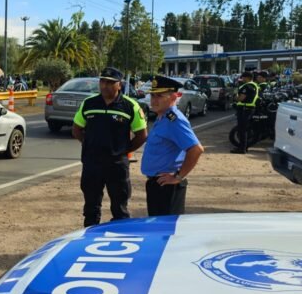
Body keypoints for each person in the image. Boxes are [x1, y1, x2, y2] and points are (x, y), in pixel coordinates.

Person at [72, 66, 147, 227]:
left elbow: (142, 134)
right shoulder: (89, 103)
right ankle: (90, 240)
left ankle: (119, 243)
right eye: (102, 81)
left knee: (120, 209)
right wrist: (89, 144)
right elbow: (77, 129)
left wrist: (125, 149)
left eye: (110, 82)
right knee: (91, 208)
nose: (105, 85)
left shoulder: (130, 106)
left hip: (117, 165)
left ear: (119, 85)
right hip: (92, 164)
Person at [141, 76, 205, 216]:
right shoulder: (162, 117)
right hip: (158, 184)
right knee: (158, 229)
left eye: (159, 96)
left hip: (167, 187)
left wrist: (178, 176)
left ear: (173, 97)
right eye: (152, 95)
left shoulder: (174, 120)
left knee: (166, 231)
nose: (154, 99)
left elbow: (196, 149)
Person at [231, 71, 260, 154]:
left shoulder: (247, 87)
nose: (242, 79)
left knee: (242, 129)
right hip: (249, 108)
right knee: (244, 129)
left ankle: (242, 148)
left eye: (243, 77)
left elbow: (241, 98)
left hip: (244, 109)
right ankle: (244, 147)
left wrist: (234, 96)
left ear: (247, 78)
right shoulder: (255, 85)